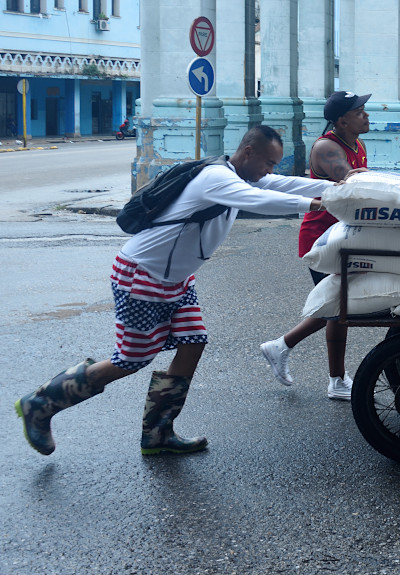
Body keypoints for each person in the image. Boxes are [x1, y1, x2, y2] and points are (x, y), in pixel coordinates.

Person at [14, 125, 335, 457]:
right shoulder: (216, 178)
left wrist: (336, 189)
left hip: (176, 280)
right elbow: (262, 199)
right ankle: (41, 403)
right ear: (248, 152)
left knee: (193, 342)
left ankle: (158, 432)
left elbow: (282, 184)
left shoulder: (240, 177)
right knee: (130, 360)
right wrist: (312, 206)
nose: (270, 170)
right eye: (268, 162)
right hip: (142, 275)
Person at [260, 90, 370, 400]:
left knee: (339, 305)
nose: (366, 115)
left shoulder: (356, 143)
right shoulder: (326, 147)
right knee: (337, 303)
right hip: (322, 238)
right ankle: (284, 348)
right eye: (359, 111)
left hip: (343, 234)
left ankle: (332, 377)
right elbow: (353, 184)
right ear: (341, 120)